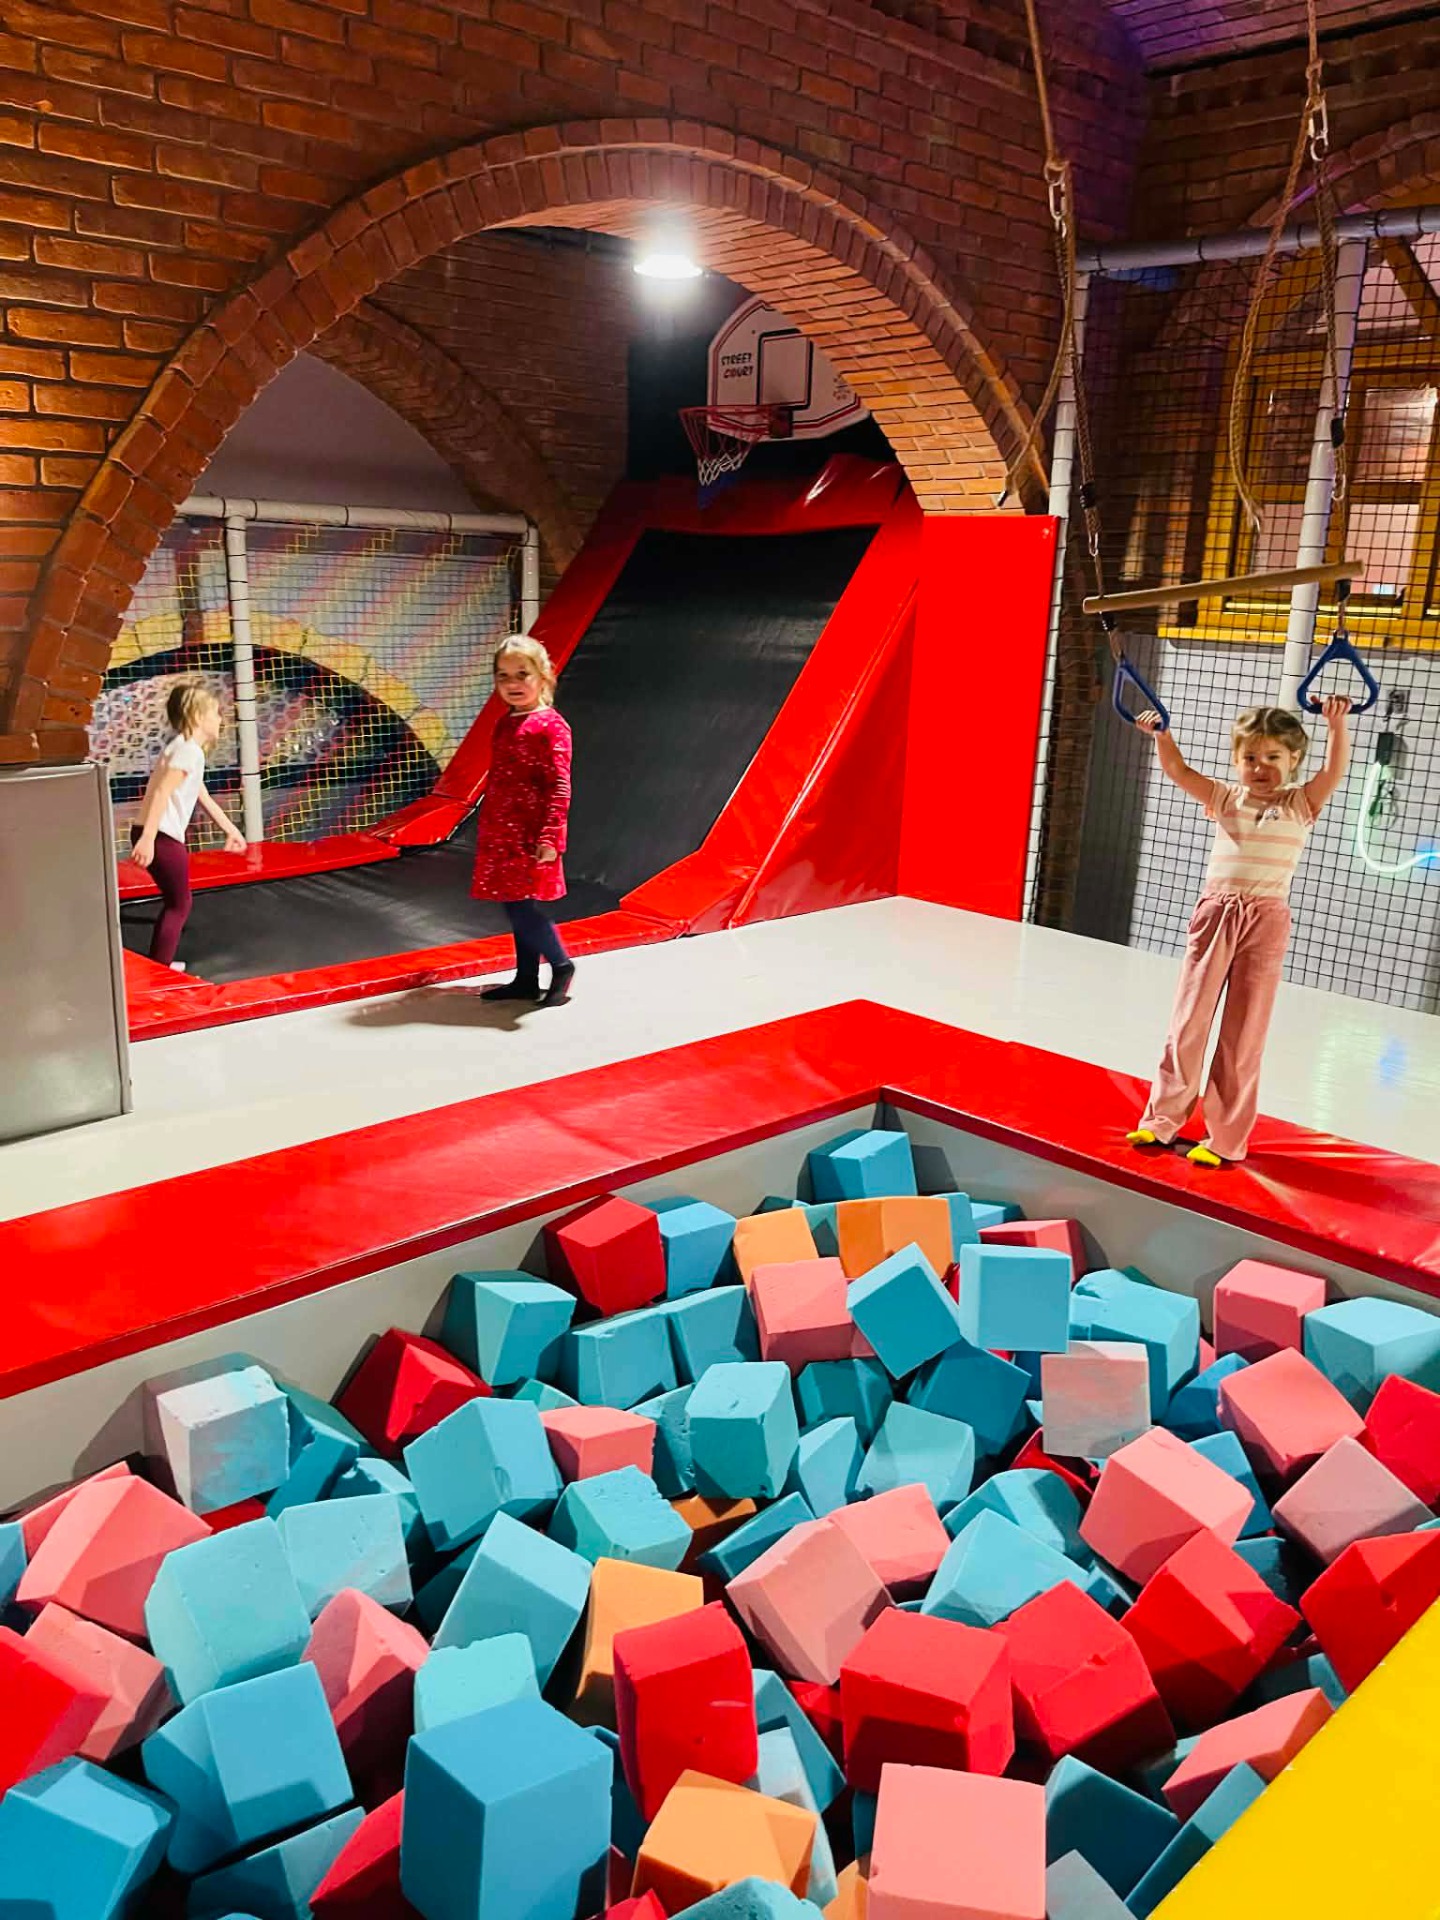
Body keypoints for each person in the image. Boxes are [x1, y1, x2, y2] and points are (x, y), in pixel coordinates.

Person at [1128, 694, 1353, 1167]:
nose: (1260, 767)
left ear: (1294, 760)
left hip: (1265, 920)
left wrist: (1336, 726)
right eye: (1250, 757)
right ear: (1236, 761)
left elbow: (1334, 772)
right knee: (1189, 1020)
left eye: (1273, 757)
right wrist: (1162, 737)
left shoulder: (1299, 803)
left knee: (1244, 1031)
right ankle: (1162, 1119)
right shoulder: (1226, 798)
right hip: (1217, 914)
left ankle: (1226, 1138)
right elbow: (1179, 771)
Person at [472, 635, 575, 1007]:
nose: (512, 683)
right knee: (514, 903)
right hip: (503, 830)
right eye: (503, 676)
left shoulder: (551, 726)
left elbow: (559, 785)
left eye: (522, 674)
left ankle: (561, 965)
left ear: (543, 676)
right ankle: (526, 978)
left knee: (522, 907)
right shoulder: (504, 724)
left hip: (530, 834)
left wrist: (550, 835)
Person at [129, 679, 246, 969]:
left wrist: (230, 829)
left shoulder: (182, 748)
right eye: (216, 713)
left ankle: (161, 966)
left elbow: (199, 793)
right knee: (179, 904)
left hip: (155, 832)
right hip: (161, 835)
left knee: (177, 902)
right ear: (198, 716)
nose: (220, 719)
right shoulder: (189, 751)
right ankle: (161, 970)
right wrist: (148, 838)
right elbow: (162, 792)